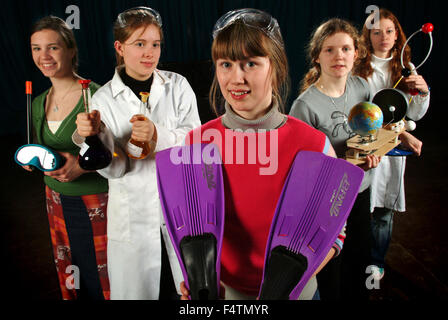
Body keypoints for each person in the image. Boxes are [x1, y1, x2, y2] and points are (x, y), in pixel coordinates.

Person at [180, 8, 342, 300]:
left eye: (250, 63)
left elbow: (334, 234)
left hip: (297, 294)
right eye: (226, 64)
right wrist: (198, 280)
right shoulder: (197, 144)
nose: (236, 78)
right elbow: (192, 227)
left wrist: (284, 285)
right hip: (228, 295)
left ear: (276, 67)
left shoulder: (314, 144)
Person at [75, 7, 201, 299]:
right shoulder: (103, 98)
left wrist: (159, 136)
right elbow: (114, 170)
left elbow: (197, 146)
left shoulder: (178, 86)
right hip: (133, 220)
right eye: (140, 44)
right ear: (120, 48)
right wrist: (94, 139)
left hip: (180, 210)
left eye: (155, 44)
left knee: (184, 292)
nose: (150, 53)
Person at [289, 18, 380, 300]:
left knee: (360, 259)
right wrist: (345, 165)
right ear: (316, 56)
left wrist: (375, 151)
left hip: (361, 192)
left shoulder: (362, 88)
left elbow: (372, 133)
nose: (338, 56)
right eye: (329, 50)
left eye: (345, 49)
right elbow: (301, 170)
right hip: (328, 204)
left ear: (356, 53)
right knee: (332, 271)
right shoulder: (304, 106)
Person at [24, 16, 109, 300]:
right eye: (36, 48)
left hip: (97, 202)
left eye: (53, 48)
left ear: (71, 50)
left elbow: (122, 153)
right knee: (75, 276)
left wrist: (82, 168)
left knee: (103, 278)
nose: (44, 56)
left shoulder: (98, 96)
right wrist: (33, 159)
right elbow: (42, 149)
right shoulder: (38, 103)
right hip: (57, 201)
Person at [354, 8, 430, 281]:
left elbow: (415, 115)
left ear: (397, 35)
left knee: (384, 213)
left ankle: (375, 263)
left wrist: (422, 91)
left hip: (392, 155)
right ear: (368, 36)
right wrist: (402, 134)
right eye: (376, 32)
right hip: (365, 147)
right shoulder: (356, 68)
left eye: (388, 31)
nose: (383, 37)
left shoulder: (406, 69)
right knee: (360, 207)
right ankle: (353, 259)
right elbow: (360, 114)